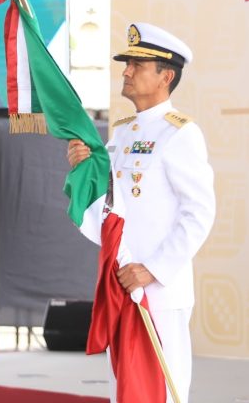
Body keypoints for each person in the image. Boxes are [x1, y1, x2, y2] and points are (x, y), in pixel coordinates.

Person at [67, 23, 215, 403]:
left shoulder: (180, 133)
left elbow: (199, 213)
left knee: (162, 390)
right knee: (128, 390)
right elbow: (108, 218)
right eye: (126, 63)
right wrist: (83, 173)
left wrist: (152, 268)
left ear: (166, 76)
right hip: (122, 283)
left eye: (137, 64)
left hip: (158, 289)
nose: (126, 71)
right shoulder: (121, 134)